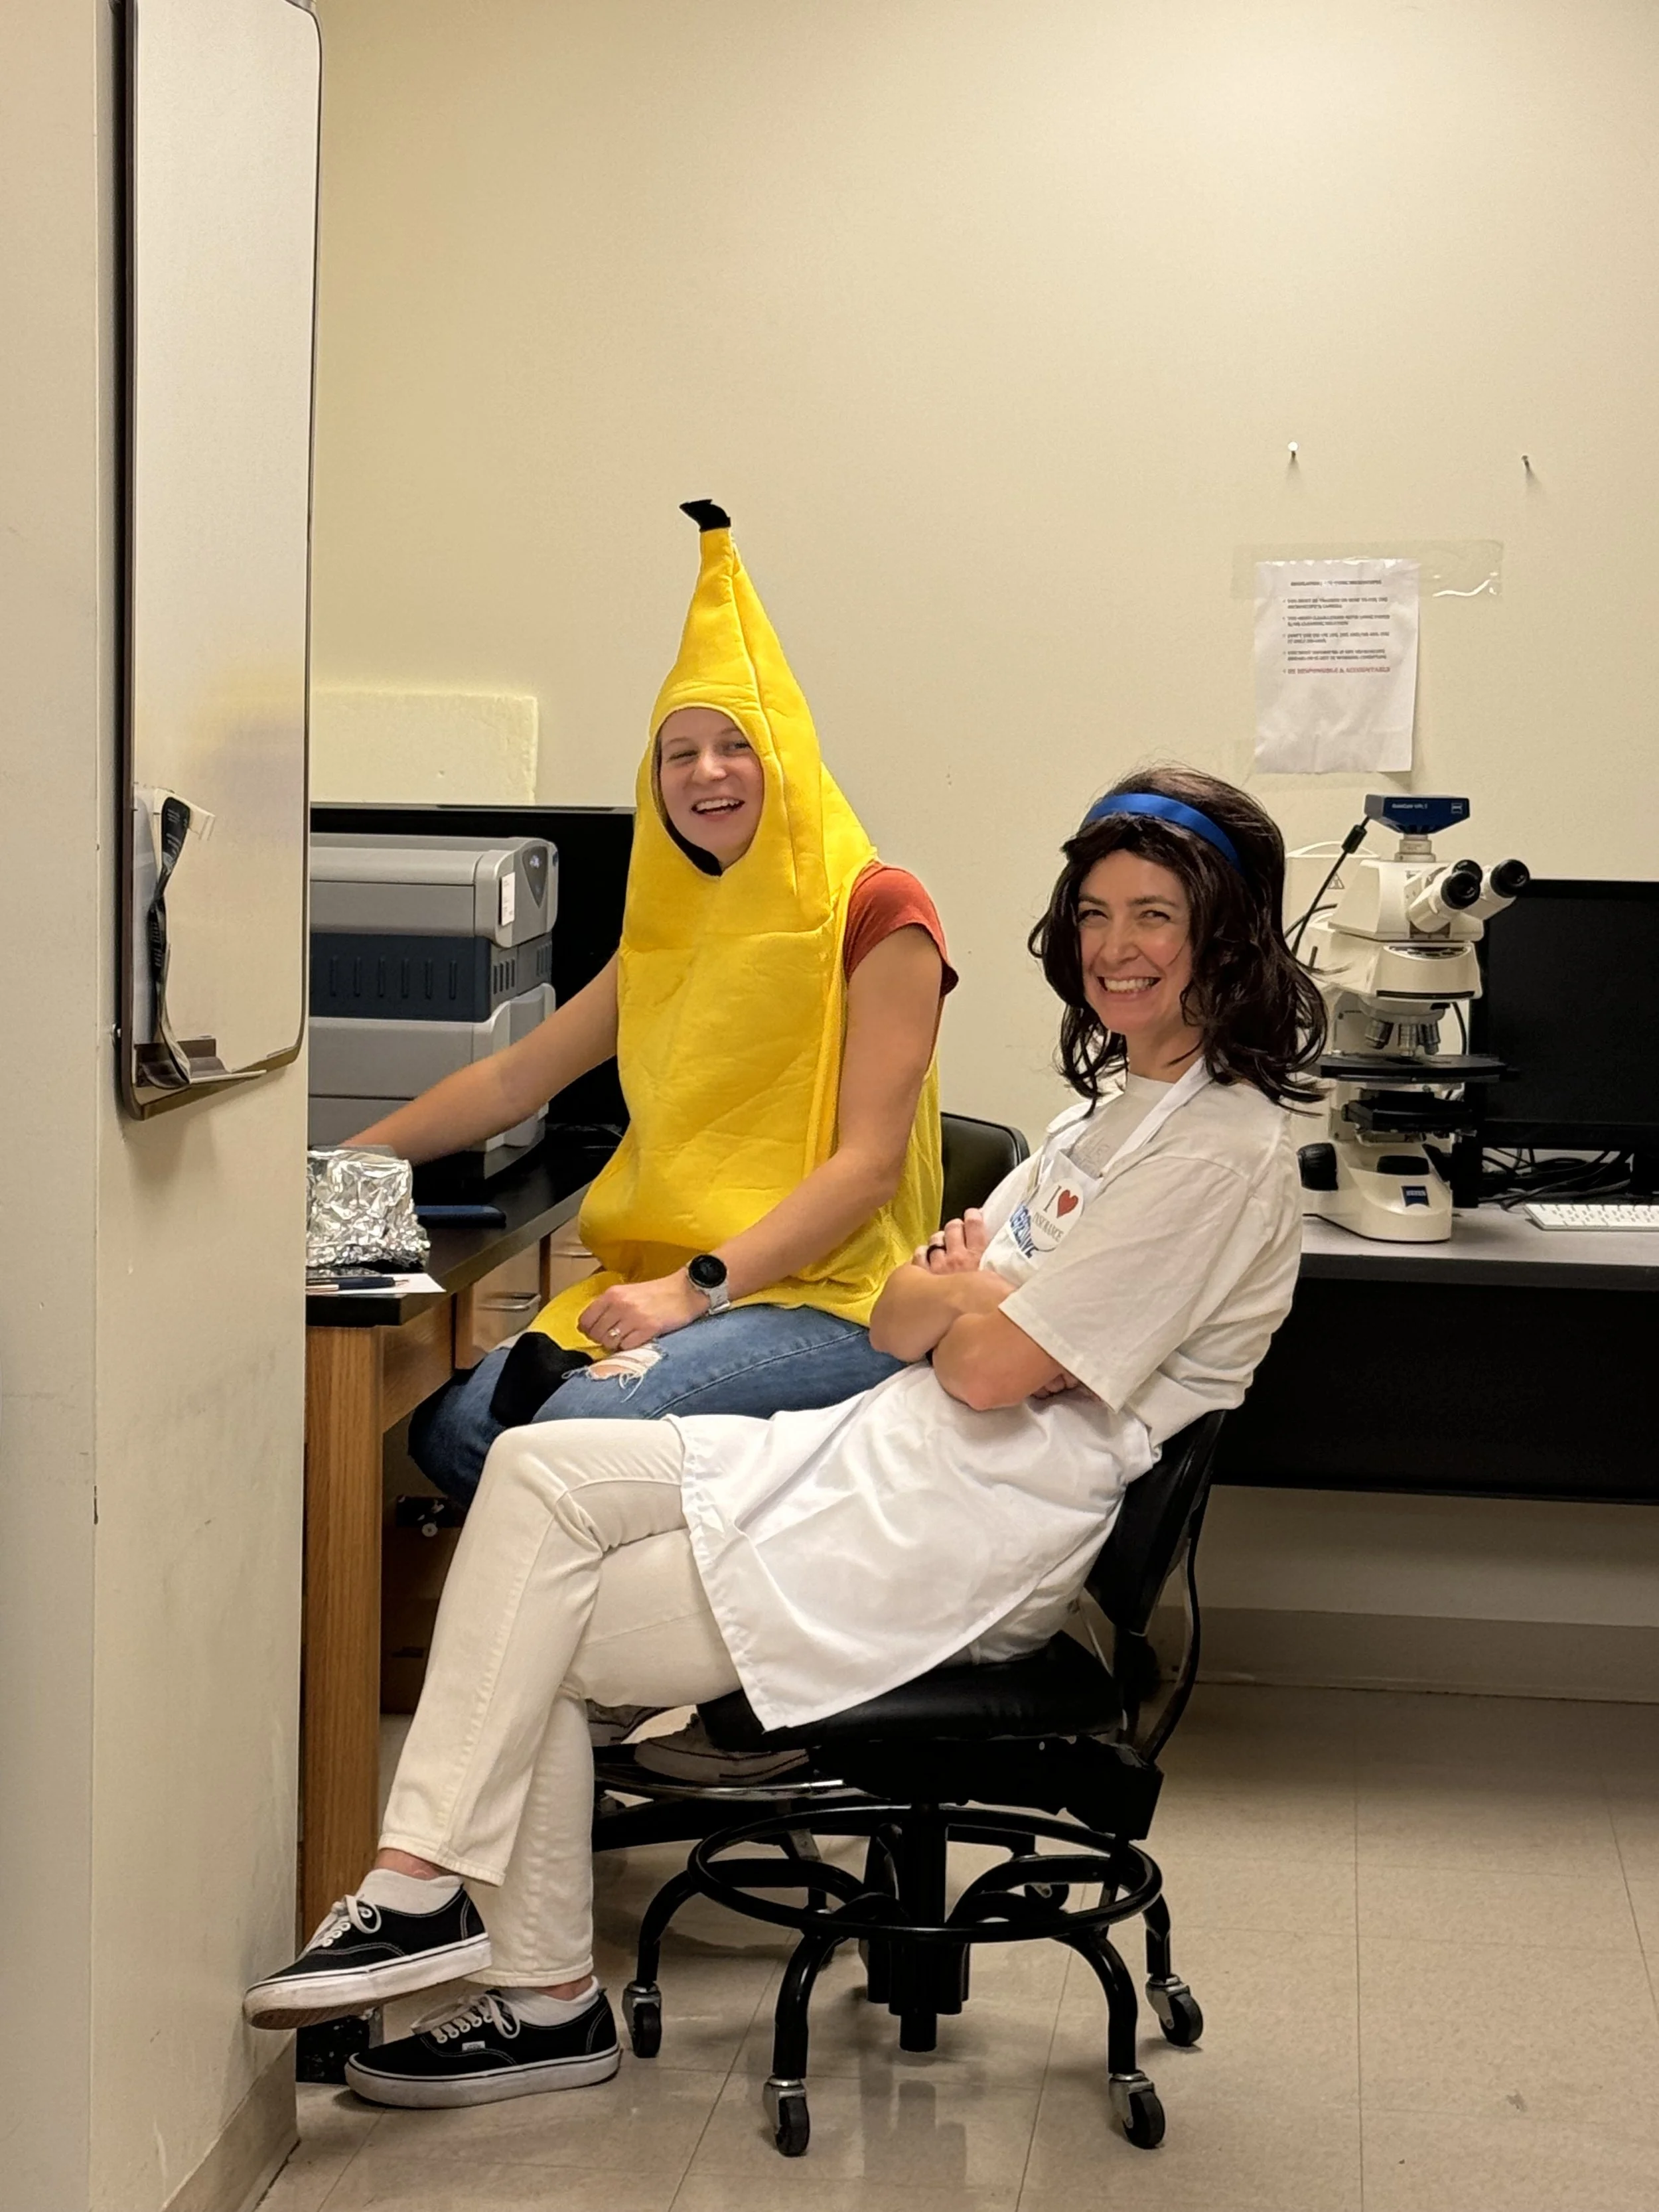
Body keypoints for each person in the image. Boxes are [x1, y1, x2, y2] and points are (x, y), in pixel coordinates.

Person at [245, 765, 1323, 2112]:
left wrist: (968, 1299)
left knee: (537, 1634)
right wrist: (967, 1297)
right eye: (1096, 911)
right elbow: (906, 1312)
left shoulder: (1212, 1153)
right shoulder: (1103, 1117)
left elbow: (981, 1360)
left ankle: (538, 1997)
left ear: (1224, 932)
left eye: (1154, 915)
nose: (1115, 947)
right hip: (895, 1454)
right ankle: (420, 1890)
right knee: (532, 1469)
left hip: (969, 1526)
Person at [364, 503, 953, 1526]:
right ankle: (629, 1639)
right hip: (670, 1278)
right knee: (451, 1430)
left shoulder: (878, 908)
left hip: (829, 1296)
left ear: (790, 761)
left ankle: (676, 1652)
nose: (706, 773)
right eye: (679, 753)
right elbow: (513, 1079)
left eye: (736, 745)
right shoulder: (675, 926)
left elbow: (867, 1169)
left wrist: (695, 1290)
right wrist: (339, 1168)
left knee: (553, 1446)